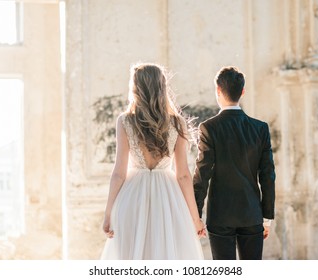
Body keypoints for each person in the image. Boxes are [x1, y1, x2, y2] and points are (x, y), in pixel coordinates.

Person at [100, 62, 206, 260]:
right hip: (168, 198)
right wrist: (195, 219)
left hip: (131, 198)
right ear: (162, 87)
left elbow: (119, 173)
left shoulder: (124, 121)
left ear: (136, 88)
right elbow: (183, 175)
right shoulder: (177, 122)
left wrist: (108, 214)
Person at [193, 66, 276, 260]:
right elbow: (268, 175)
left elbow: (202, 173)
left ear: (218, 91)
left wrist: (196, 214)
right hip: (251, 213)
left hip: (220, 215)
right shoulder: (260, 128)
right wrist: (267, 217)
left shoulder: (208, 128)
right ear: (243, 92)